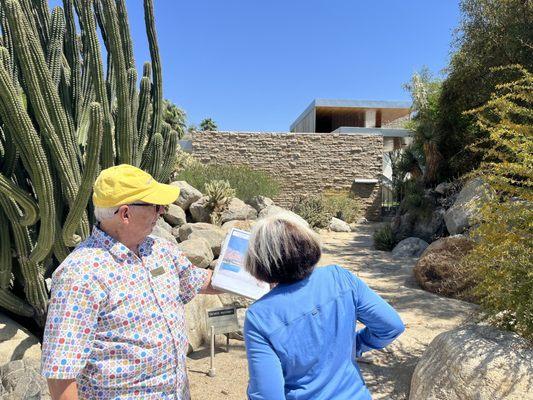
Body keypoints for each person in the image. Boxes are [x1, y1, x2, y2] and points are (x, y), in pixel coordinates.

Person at [42, 164, 220, 400]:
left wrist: (263, 277)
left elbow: (199, 281)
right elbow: (60, 373)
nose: (162, 211)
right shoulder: (80, 274)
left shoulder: (160, 250)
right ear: (125, 214)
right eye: (155, 206)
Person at [243, 213, 405, 400]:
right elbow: (392, 326)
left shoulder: (259, 317)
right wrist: (355, 344)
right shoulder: (340, 278)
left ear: (260, 261)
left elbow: (266, 395)